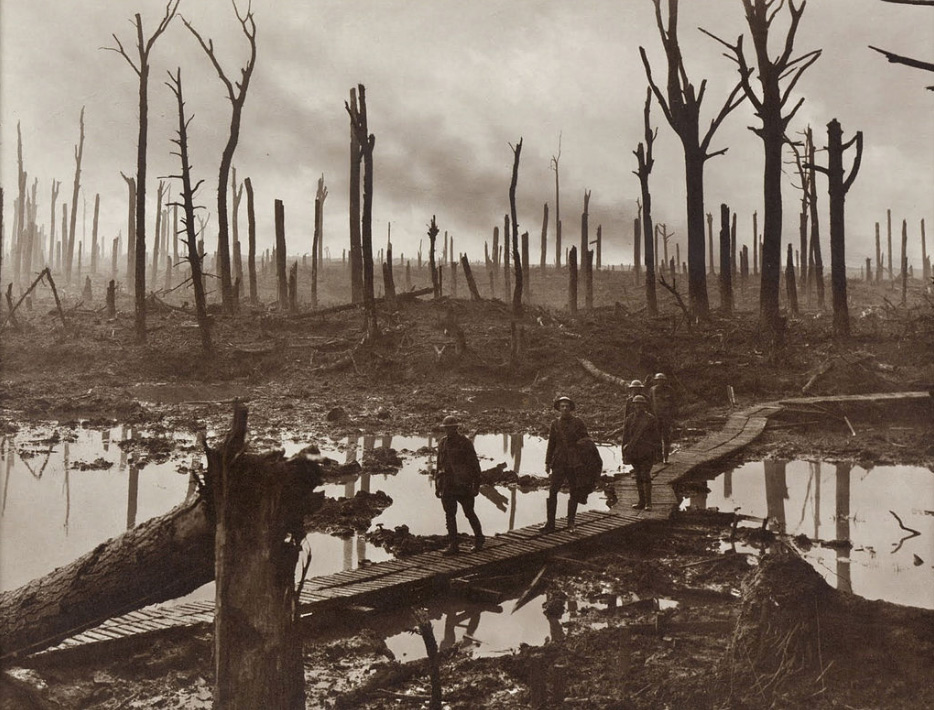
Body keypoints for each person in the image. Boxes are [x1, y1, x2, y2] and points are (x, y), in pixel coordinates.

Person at [435, 415, 484, 555]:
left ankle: (479, 539)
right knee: (449, 515)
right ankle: (453, 545)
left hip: (463, 485)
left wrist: (476, 486)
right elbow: (439, 465)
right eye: (446, 428)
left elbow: (474, 465)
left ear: (456, 428)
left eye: (451, 428)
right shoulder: (442, 443)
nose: (448, 431)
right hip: (447, 485)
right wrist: (437, 486)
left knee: (469, 513)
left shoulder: (465, 442)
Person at [542, 395, 590, 532]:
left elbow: (587, 441)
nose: (564, 408)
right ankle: (550, 523)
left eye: (567, 406)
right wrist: (547, 462)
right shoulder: (555, 424)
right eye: (562, 406)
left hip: (574, 462)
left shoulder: (578, 422)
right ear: (558, 408)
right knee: (552, 491)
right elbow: (551, 444)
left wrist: (582, 457)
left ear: (571, 408)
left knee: (574, 491)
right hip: (558, 462)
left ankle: (571, 523)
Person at [621, 394, 662, 510]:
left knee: (645, 475)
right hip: (634, 452)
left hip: (647, 452)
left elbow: (656, 437)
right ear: (633, 405)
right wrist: (624, 454)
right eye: (636, 404)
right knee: (638, 476)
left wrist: (658, 453)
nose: (638, 406)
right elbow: (625, 438)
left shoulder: (650, 419)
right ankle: (641, 502)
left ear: (644, 405)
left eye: (641, 404)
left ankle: (648, 503)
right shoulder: (629, 419)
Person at [649, 372, 677, 463]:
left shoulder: (670, 390)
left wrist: (672, 417)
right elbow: (650, 403)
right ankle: (658, 458)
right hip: (656, 417)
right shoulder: (652, 390)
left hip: (666, 417)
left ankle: (666, 458)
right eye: (658, 380)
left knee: (666, 438)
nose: (660, 382)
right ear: (656, 381)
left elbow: (674, 404)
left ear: (664, 381)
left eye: (662, 380)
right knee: (656, 438)